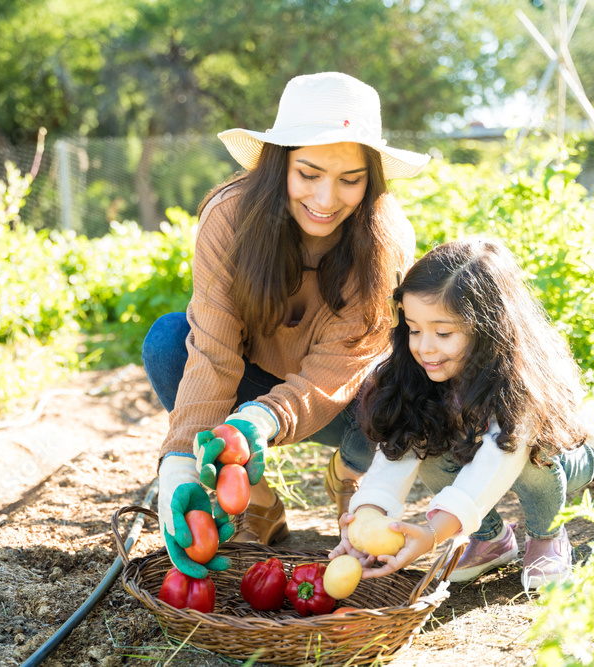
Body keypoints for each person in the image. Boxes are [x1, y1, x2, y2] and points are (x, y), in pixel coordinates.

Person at [144, 71, 431, 579]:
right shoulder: (229, 218)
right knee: (169, 343)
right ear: (281, 164)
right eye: (309, 172)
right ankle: (252, 497)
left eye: (350, 180)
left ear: (371, 178)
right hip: (251, 375)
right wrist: (180, 463)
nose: (326, 199)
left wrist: (261, 420)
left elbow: (341, 365)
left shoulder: (385, 240)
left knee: (399, 378)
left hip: (341, 399)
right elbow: (213, 351)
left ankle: (351, 471)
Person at [328, 238, 594, 589]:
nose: (424, 346)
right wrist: (367, 516)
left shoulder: (519, 381)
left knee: (534, 454)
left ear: (487, 328)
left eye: (443, 332)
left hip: (563, 457)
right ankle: (491, 539)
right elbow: (398, 452)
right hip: (477, 446)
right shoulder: (420, 371)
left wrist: (432, 533)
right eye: (414, 329)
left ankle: (546, 535)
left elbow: (501, 455)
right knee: (428, 446)